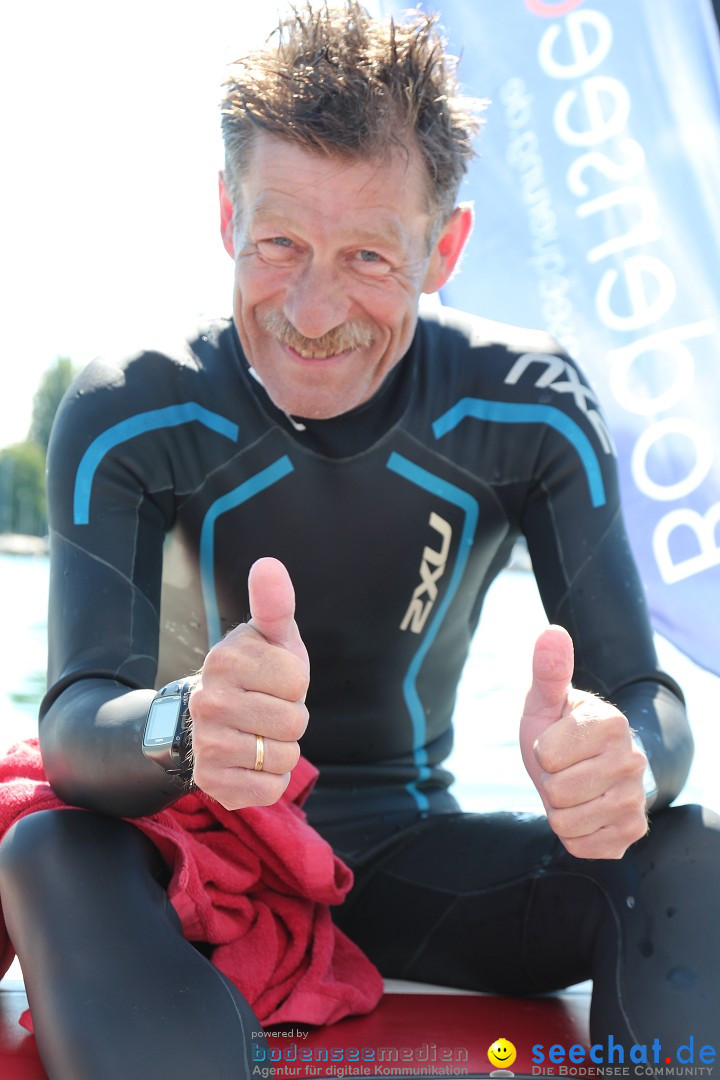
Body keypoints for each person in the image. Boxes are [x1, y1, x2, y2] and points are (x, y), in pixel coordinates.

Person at [1, 2, 718, 1077]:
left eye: (371, 256)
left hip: (406, 858)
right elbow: (72, 729)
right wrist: (188, 724)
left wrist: (619, 757)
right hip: (196, 852)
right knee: (48, 847)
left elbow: (648, 705)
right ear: (226, 213)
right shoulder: (131, 412)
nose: (316, 308)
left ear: (447, 247)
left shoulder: (530, 409)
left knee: (685, 855)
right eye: (280, 240)